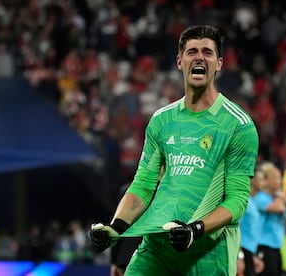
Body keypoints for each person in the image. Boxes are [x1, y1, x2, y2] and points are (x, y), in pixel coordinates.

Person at [89, 24, 259, 276]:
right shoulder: (162, 120)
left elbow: (237, 200)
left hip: (208, 252)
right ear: (180, 62)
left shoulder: (238, 124)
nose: (199, 57)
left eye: (207, 52)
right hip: (158, 246)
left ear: (219, 63)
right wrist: (117, 227)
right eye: (192, 52)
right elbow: (143, 185)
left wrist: (196, 230)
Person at [254, 162, 286, 276]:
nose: (280, 181)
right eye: (276, 178)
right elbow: (278, 208)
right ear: (266, 180)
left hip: (277, 247)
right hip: (264, 247)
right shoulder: (260, 197)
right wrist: (280, 195)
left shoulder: (276, 198)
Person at [237, 169, 265, 276]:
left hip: (249, 251)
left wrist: (253, 255)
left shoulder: (253, 201)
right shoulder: (245, 200)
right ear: (253, 181)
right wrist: (239, 256)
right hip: (242, 251)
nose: (264, 182)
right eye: (261, 179)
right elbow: (236, 227)